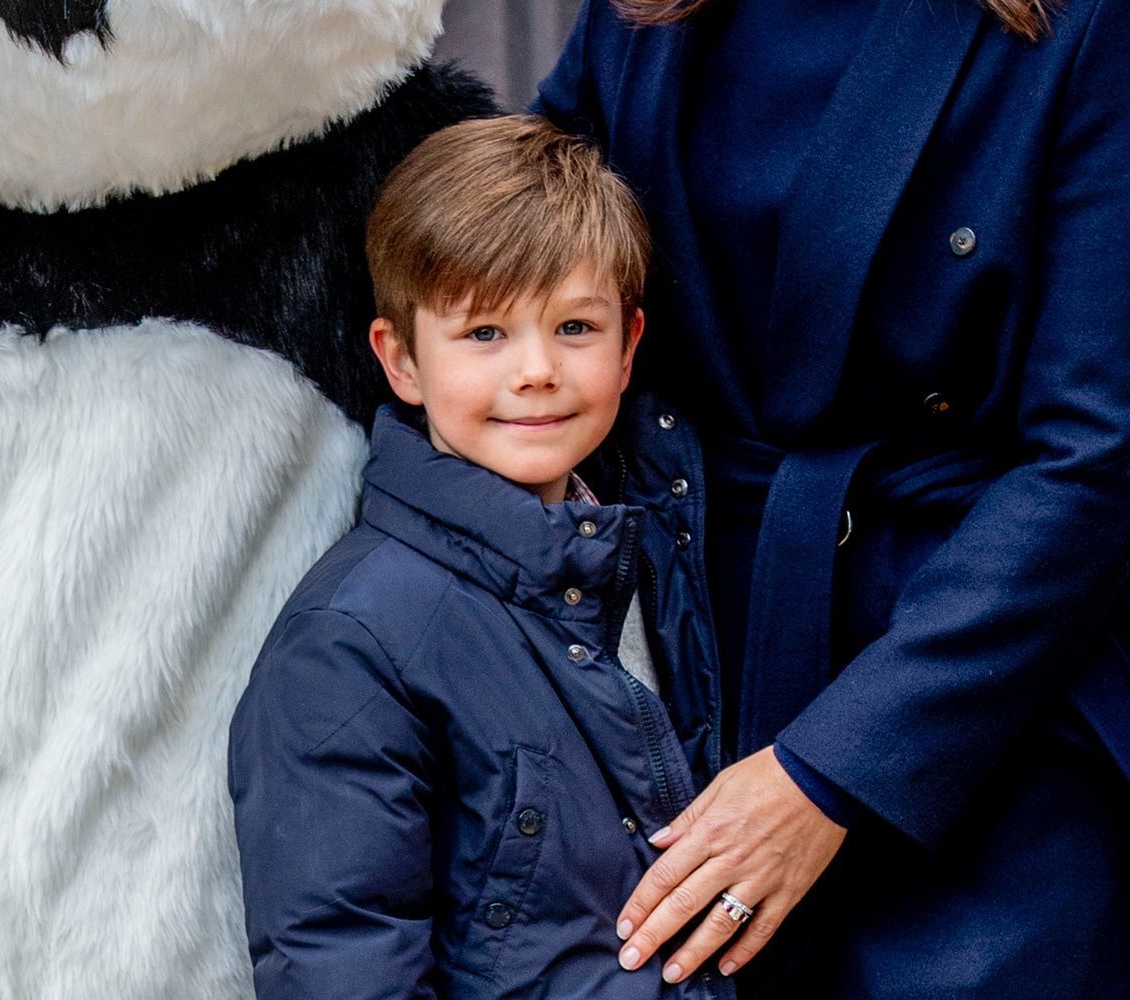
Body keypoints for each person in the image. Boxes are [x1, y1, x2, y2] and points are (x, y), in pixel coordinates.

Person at [534, 0, 1130, 996]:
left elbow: (1094, 454)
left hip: (973, 713)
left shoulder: (1081, 24)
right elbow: (490, 270)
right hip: (680, 679)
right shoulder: (634, 18)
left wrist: (832, 769)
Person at [228, 115, 736, 999]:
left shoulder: (660, 557)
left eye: (576, 327)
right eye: (486, 334)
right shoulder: (351, 641)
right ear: (403, 361)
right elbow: (343, 964)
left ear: (630, 348)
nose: (537, 370)